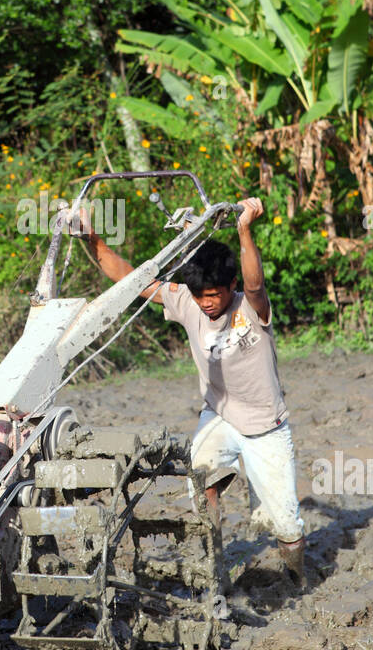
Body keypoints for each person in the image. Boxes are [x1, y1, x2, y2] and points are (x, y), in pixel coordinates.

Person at [75, 195, 305, 587]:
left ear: (229, 287)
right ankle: (215, 568)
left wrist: (244, 229)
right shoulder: (188, 302)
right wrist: (91, 238)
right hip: (218, 416)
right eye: (200, 297)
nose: (206, 305)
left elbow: (255, 281)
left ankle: (299, 577)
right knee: (201, 482)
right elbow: (129, 279)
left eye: (213, 296)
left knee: (285, 523)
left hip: (266, 427)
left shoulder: (251, 308)